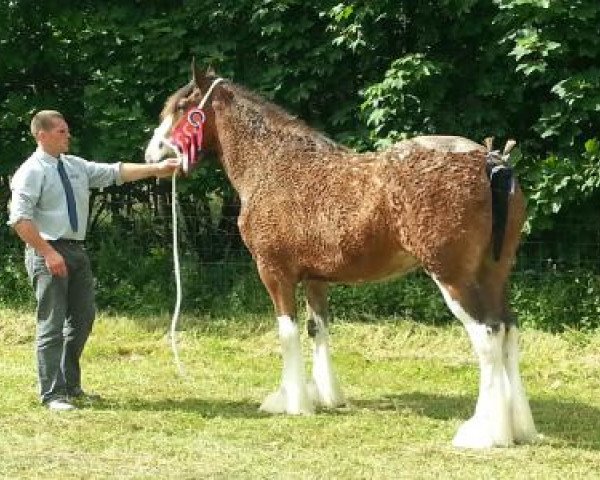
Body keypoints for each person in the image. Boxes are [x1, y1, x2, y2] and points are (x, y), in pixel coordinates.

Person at [8, 110, 180, 411]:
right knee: (51, 323)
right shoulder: (31, 172)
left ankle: (70, 386)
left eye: (67, 130)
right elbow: (20, 219)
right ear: (42, 136)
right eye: (61, 131)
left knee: (83, 318)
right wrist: (48, 253)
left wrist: (156, 169)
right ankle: (52, 394)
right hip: (47, 249)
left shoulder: (75, 166)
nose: (68, 135)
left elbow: (116, 172)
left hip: (76, 250)